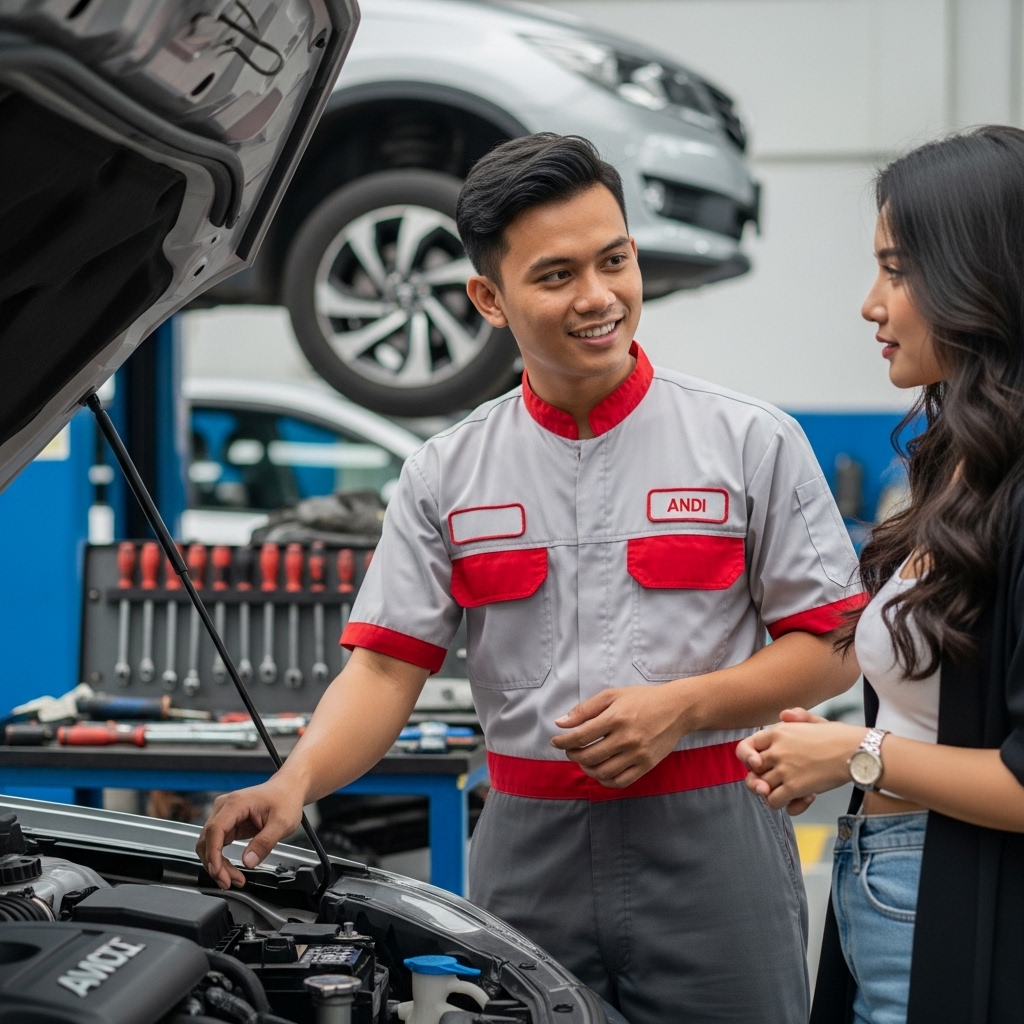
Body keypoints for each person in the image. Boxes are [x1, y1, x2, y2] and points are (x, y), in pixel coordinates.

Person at [197, 133, 863, 1024]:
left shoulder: (747, 442)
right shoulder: (448, 471)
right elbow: (389, 666)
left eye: (615, 260)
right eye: (555, 276)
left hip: (715, 839)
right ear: (489, 297)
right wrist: (296, 781)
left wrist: (685, 707)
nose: (599, 298)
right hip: (525, 846)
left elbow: (831, 647)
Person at [737, 125, 1024, 1024]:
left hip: (956, 899)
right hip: (885, 876)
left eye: (897, 271)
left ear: (979, 276)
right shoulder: (959, 467)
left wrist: (855, 754)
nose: (871, 303)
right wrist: (838, 760)